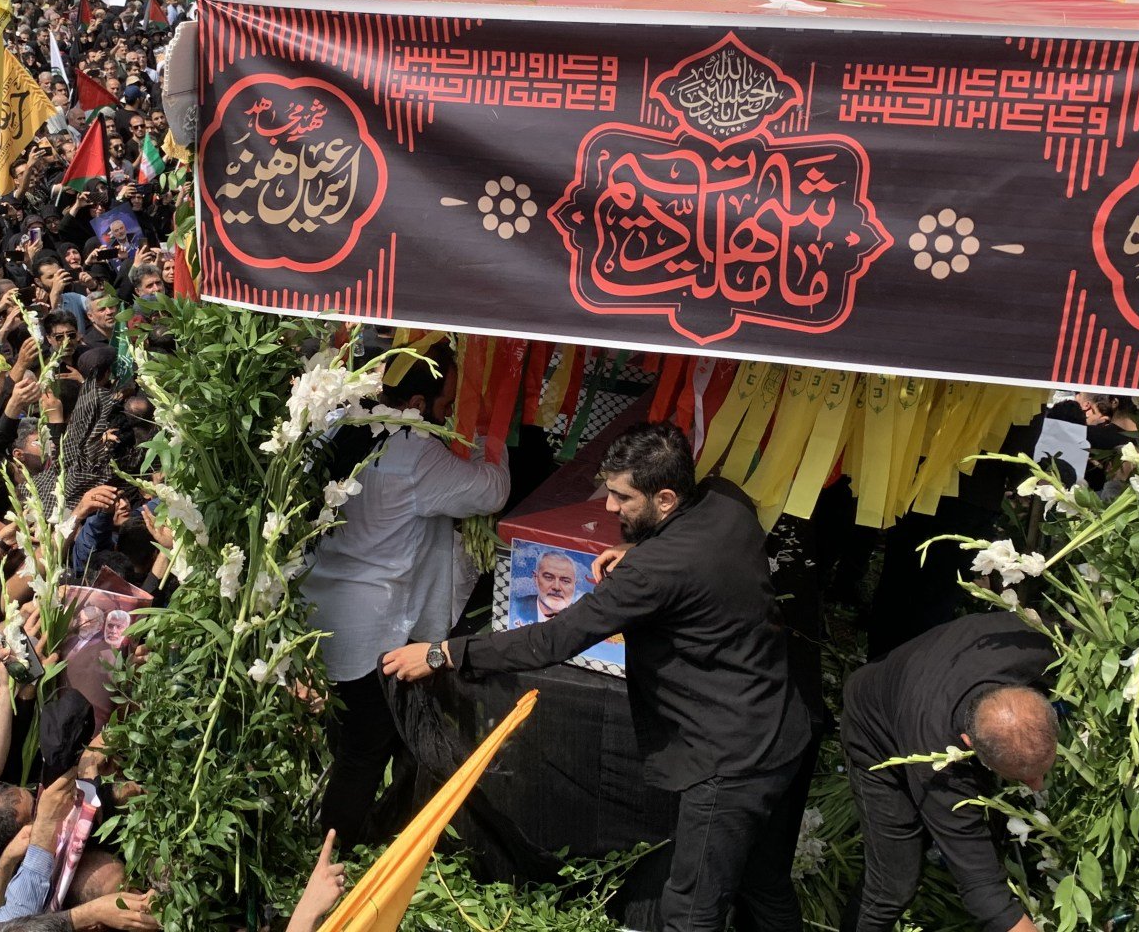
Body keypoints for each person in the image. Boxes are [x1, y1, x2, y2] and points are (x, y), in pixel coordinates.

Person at [384, 422, 813, 930]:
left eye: (621, 497)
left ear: (667, 499)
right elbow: (695, 556)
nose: (608, 508)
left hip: (729, 759)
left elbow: (551, 640)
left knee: (691, 909)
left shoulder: (653, 573)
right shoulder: (727, 502)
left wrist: (442, 653)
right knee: (766, 887)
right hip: (785, 729)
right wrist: (640, 550)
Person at [304, 348, 509, 848]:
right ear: (419, 400)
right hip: (371, 625)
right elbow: (490, 491)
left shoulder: (338, 425)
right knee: (364, 750)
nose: (451, 414)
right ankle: (330, 858)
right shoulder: (417, 450)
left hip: (317, 607)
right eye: (449, 402)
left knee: (349, 736)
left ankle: (351, 835)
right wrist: (492, 438)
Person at [837, 611, 1058, 932]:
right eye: (1024, 776)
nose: (1037, 786)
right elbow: (980, 886)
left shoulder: (1040, 648)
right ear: (968, 744)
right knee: (893, 884)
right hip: (875, 727)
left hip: (925, 674)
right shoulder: (936, 758)